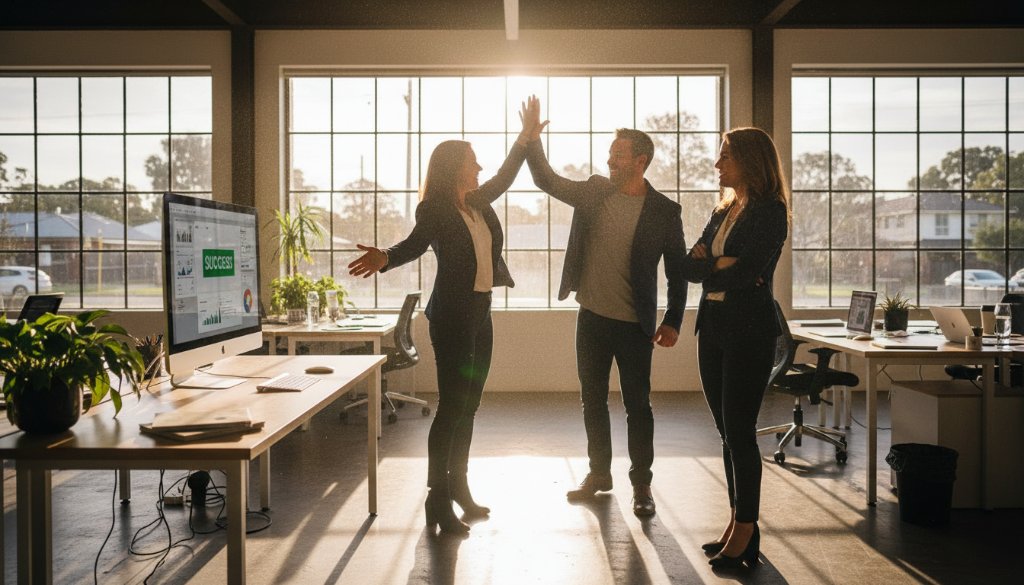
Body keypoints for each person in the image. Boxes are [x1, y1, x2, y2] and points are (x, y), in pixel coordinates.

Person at [348, 96, 543, 535]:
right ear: (454, 166)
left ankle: (460, 489)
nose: (479, 166)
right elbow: (414, 245)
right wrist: (386, 257)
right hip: (452, 317)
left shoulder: (479, 202)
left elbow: (505, 176)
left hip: (481, 313)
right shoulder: (434, 209)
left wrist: (527, 140)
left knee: (469, 407)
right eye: (472, 160)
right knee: (453, 407)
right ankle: (437, 501)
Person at [525, 127, 688, 517]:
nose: (610, 160)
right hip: (592, 319)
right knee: (592, 401)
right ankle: (599, 474)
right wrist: (531, 140)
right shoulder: (595, 191)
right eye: (610, 153)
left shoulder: (665, 211)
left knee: (638, 406)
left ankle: (642, 483)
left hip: (636, 326)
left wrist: (674, 319)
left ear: (640, 161)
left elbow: (678, 272)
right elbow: (546, 179)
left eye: (618, 154)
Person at [687, 127, 790, 569]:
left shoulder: (771, 211)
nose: (717, 164)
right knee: (727, 433)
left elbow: (746, 272)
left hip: (749, 332)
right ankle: (737, 522)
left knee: (741, 433)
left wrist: (718, 265)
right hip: (712, 329)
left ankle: (747, 530)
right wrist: (718, 265)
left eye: (725, 155)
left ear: (750, 160)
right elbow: (692, 267)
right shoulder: (723, 209)